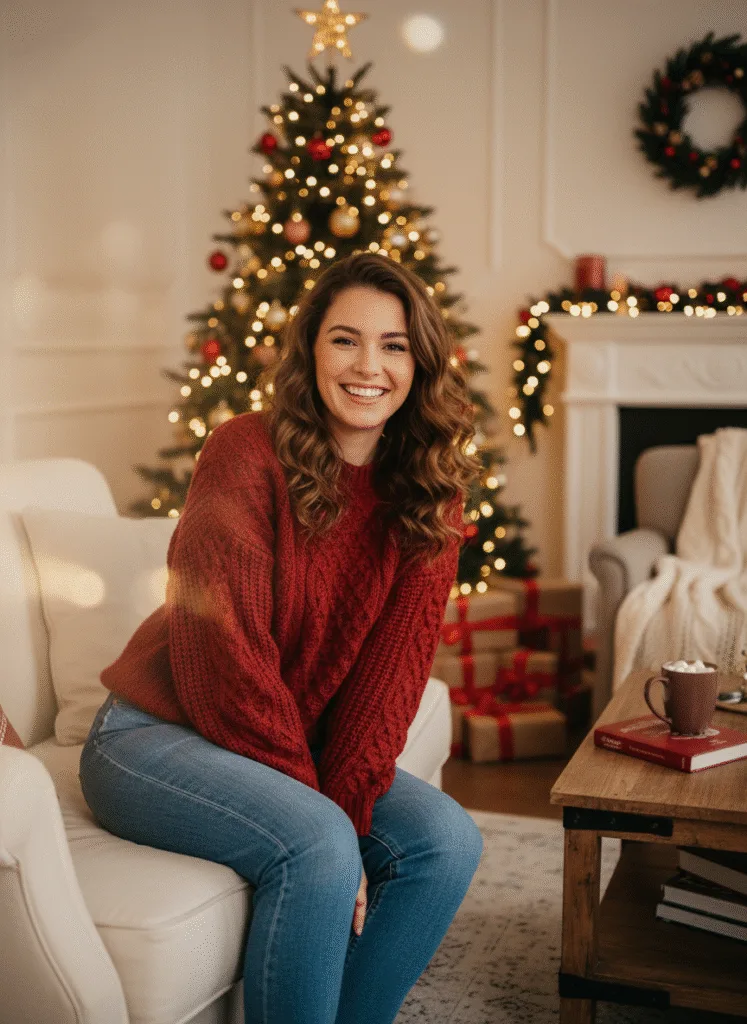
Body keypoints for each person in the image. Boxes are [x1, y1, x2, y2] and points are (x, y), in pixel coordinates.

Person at [79, 251, 485, 1024]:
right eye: (344, 340)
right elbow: (224, 658)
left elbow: (386, 689)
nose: (368, 366)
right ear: (310, 350)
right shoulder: (244, 450)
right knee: (319, 842)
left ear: (420, 365)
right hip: (153, 736)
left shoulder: (430, 493)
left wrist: (345, 809)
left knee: (445, 842)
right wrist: (330, 825)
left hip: (284, 743)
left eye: (393, 345)